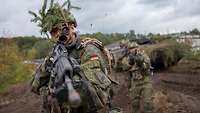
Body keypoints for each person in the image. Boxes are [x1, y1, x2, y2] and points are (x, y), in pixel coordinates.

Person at [30, 0, 118, 113]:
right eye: (53, 31)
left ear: (71, 27)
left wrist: (72, 73)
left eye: (60, 29)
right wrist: (48, 65)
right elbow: (34, 85)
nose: (57, 34)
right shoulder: (53, 55)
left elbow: (98, 95)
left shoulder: (88, 50)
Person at [119, 40, 154, 113]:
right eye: (131, 48)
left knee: (147, 103)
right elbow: (124, 67)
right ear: (129, 50)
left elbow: (147, 65)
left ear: (138, 48)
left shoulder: (143, 55)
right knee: (134, 104)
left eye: (134, 48)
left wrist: (141, 63)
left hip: (145, 81)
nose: (133, 50)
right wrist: (130, 63)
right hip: (135, 83)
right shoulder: (127, 58)